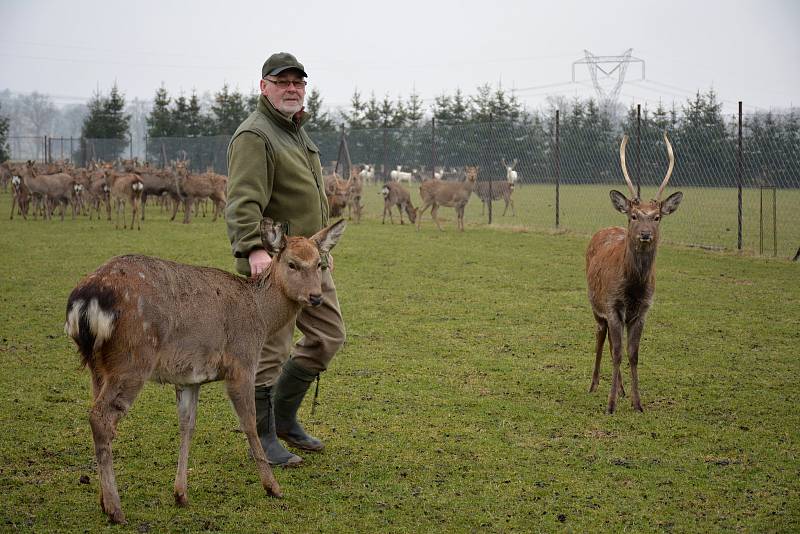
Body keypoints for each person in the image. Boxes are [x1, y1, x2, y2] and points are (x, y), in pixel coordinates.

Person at [226, 52, 345, 467]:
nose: (292, 88)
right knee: (270, 353)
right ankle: (262, 439)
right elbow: (242, 201)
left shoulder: (296, 132)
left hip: (311, 264)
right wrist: (254, 249)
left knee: (328, 336)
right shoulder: (255, 136)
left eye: (298, 82)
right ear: (264, 87)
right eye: (282, 82)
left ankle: (283, 419)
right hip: (276, 270)